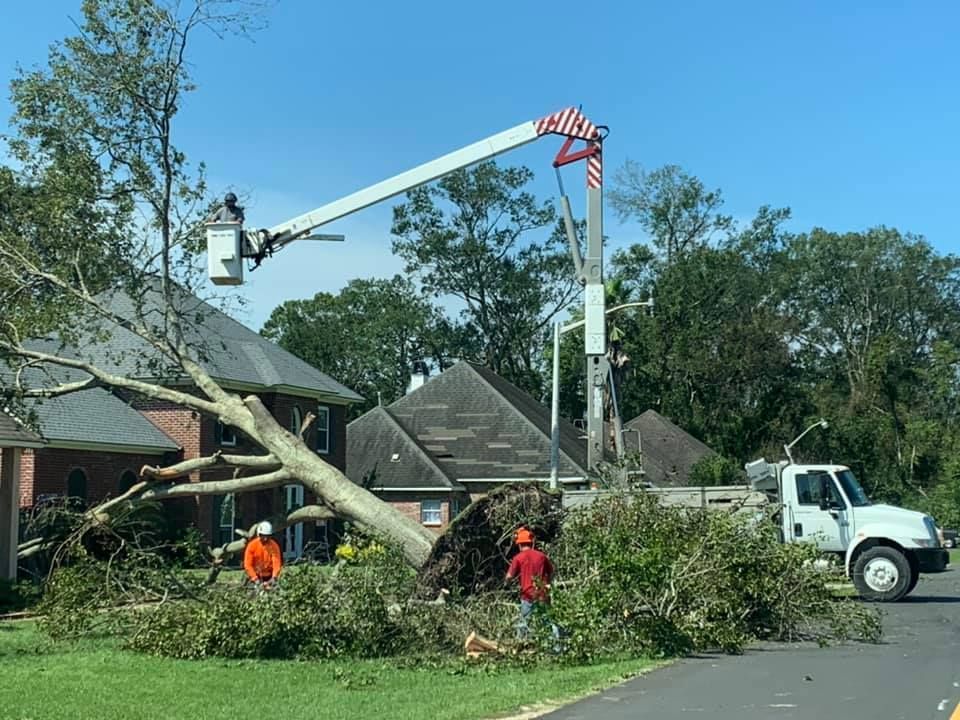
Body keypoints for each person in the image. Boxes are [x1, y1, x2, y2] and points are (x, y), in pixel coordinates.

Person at [505, 527, 559, 644]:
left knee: (524, 624)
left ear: (519, 545)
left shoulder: (518, 558)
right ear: (531, 543)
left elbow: (509, 576)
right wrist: (548, 583)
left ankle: (521, 647)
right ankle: (556, 647)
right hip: (542, 594)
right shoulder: (541, 556)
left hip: (527, 596)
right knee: (548, 621)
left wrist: (507, 585)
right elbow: (552, 571)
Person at [243, 521, 283, 590]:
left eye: (268, 536)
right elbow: (248, 565)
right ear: (259, 534)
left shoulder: (274, 546)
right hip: (254, 575)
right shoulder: (252, 546)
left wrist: (274, 578)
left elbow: (276, 563)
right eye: (263, 536)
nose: (265, 539)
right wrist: (256, 579)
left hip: (269, 576)